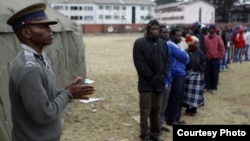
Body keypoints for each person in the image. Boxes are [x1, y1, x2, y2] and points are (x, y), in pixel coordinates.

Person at [7, 3, 95, 141]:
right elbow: (43, 115)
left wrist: (67, 92)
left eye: (49, 26)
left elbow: (44, 97)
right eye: (42, 26)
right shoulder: (30, 68)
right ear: (26, 33)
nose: (50, 30)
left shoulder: (40, 58)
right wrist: (68, 94)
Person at [133, 20, 170, 141]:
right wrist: (151, 76)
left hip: (159, 83)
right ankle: (145, 135)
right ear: (148, 29)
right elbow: (139, 63)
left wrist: (162, 75)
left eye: (157, 29)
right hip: (146, 83)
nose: (155, 31)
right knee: (145, 111)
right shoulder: (140, 43)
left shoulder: (163, 44)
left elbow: (167, 61)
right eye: (153, 29)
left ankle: (155, 133)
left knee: (156, 110)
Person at [165, 28, 189, 125]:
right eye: (178, 35)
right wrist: (185, 55)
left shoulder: (177, 45)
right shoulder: (170, 45)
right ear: (172, 36)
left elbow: (187, 59)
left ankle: (177, 117)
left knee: (179, 98)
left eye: (181, 35)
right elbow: (185, 57)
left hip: (181, 73)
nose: (180, 37)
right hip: (175, 73)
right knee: (174, 97)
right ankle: (171, 118)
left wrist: (185, 56)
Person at [183, 35, 206, 116]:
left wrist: (200, 69)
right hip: (188, 76)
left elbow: (203, 61)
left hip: (197, 76)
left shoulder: (200, 52)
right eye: (196, 43)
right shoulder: (185, 52)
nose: (198, 44)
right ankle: (188, 108)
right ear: (191, 43)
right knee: (187, 93)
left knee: (196, 94)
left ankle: (194, 109)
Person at [204, 24, 225, 94]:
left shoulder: (218, 38)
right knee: (207, 74)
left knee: (215, 74)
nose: (211, 30)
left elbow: (222, 48)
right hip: (207, 59)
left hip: (216, 59)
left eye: (212, 29)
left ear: (214, 30)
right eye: (210, 29)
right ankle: (207, 86)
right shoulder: (205, 38)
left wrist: (220, 57)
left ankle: (214, 87)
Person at [159, 25, 171, 132]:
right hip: (160, 79)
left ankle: (160, 124)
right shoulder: (157, 46)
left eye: (168, 32)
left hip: (168, 78)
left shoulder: (168, 45)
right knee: (157, 106)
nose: (166, 34)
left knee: (164, 105)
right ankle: (155, 126)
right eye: (164, 32)